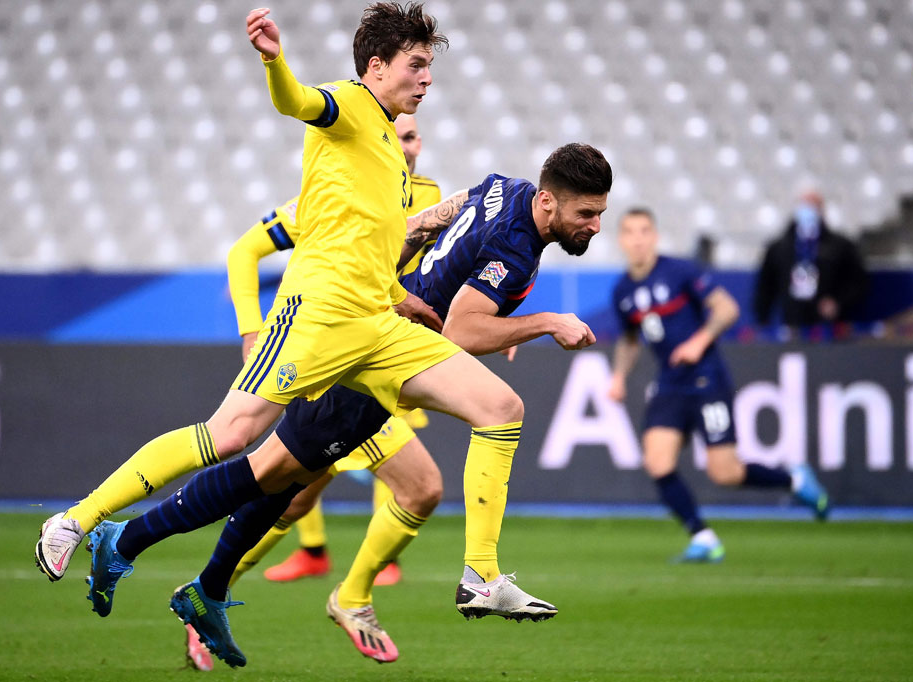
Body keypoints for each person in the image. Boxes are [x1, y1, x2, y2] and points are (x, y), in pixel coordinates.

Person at [37, 3, 579, 642]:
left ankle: (480, 578)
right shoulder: (350, 104)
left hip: (377, 323)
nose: (427, 79)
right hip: (316, 314)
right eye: (417, 65)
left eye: (430, 66)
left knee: (500, 407)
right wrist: (274, 60)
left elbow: (376, 241)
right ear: (376, 67)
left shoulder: (387, 144)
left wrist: (404, 283)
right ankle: (78, 519)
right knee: (233, 437)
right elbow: (298, 101)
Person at [81, 143, 612, 667]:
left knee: (281, 483)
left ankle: (203, 584)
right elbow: (462, 327)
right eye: (586, 213)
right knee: (268, 470)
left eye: (599, 213)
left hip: (380, 336)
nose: (593, 225)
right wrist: (544, 322)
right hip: (377, 351)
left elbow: (426, 225)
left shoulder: (502, 188)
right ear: (547, 202)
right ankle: (128, 540)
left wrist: (426, 299)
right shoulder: (511, 246)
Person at [226, 113, 442, 589]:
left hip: (388, 354)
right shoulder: (335, 195)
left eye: (409, 137)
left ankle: (214, 586)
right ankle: (358, 585)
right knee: (418, 485)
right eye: (392, 136)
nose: (402, 147)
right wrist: (251, 330)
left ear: (419, 143)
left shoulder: (433, 200)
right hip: (343, 369)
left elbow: (452, 267)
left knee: (295, 494)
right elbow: (245, 251)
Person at [607, 207, 829, 564]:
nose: (637, 239)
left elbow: (726, 308)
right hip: (669, 382)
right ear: (620, 240)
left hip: (706, 378)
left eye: (644, 231)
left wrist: (698, 340)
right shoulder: (622, 291)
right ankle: (703, 537)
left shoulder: (680, 271)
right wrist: (619, 376)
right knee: (657, 461)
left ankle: (794, 480)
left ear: (655, 236)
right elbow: (630, 340)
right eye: (630, 232)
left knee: (724, 472)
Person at [753, 189, 869, 330]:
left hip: (829, 327)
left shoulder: (840, 246)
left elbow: (858, 283)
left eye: (813, 206)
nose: (809, 211)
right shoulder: (779, 248)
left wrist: (837, 302)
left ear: (821, 210)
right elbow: (765, 287)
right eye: (805, 206)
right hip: (791, 322)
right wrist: (762, 321)